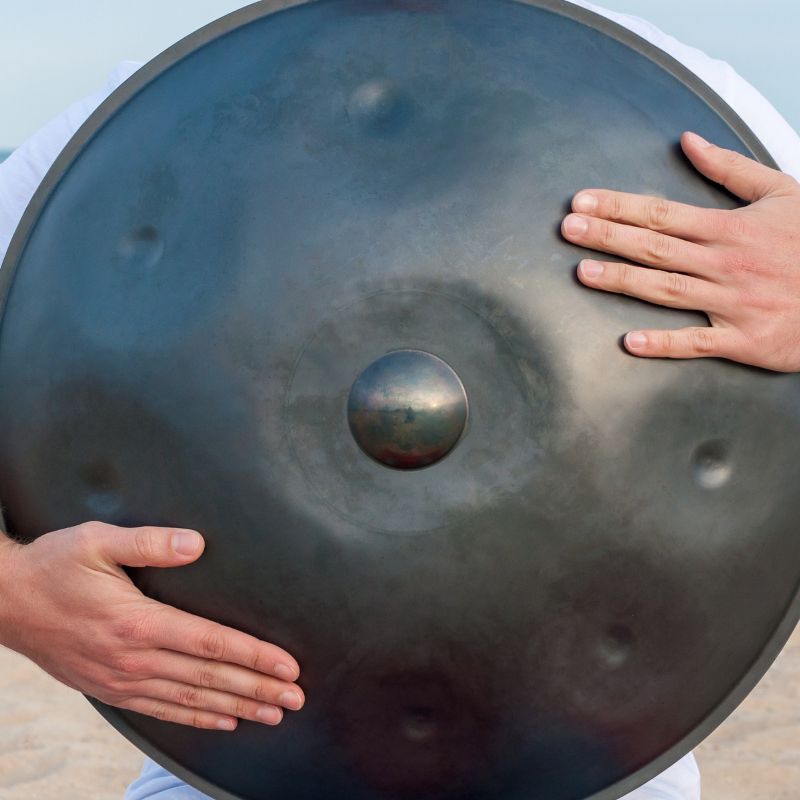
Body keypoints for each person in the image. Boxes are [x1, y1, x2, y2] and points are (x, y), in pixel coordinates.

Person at [0, 2, 798, 799]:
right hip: (241, 769)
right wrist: (18, 600)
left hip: (598, 768)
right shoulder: (138, 114)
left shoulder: (701, 105)